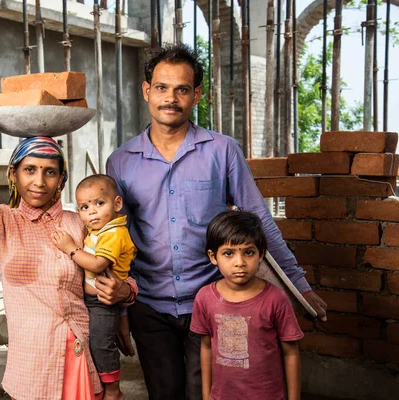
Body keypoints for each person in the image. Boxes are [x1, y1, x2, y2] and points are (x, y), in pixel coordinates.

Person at [106, 43, 327, 399]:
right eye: (161, 87)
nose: (170, 98)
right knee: (164, 394)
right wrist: (116, 308)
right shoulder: (121, 161)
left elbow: (260, 221)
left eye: (182, 89)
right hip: (148, 304)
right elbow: (116, 238)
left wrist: (298, 286)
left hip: (213, 302)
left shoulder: (222, 150)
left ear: (197, 94)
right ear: (147, 91)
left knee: (209, 393)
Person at [0, 101, 137, 400]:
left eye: (50, 172)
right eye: (30, 170)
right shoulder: (0, 222)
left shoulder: (81, 224)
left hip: (83, 356)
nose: (39, 181)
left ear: (61, 179)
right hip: (33, 366)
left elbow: (118, 272)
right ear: (14, 174)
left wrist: (125, 291)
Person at [191, 210, 303, 400]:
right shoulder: (205, 298)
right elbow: (206, 347)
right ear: (212, 256)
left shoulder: (275, 299)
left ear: (261, 254)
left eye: (249, 252)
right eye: (228, 253)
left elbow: (291, 353)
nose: (240, 263)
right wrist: (206, 395)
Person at [52, 174, 136, 400]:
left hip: (103, 303)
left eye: (100, 203)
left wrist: (70, 248)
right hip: (90, 301)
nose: (92, 211)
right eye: (84, 207)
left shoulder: (114, 233)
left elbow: (98, 264)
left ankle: (112, 390)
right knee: (92, 344)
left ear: (117, 204)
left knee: (102, 344)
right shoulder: (99, 231)